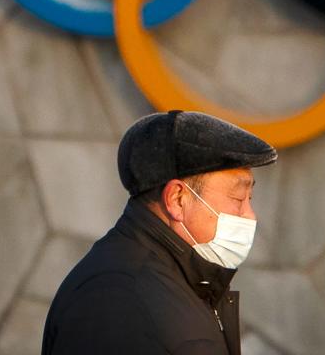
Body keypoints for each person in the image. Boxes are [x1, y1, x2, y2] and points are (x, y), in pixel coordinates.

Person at [42, 110, 277, 355]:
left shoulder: (185, 284)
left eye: (249, 198)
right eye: (238, 198)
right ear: (177, 199)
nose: (250, 215)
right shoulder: (116, 298)